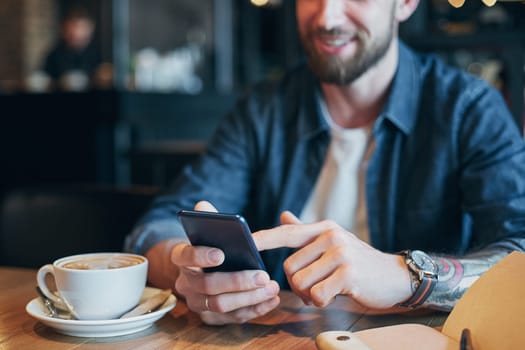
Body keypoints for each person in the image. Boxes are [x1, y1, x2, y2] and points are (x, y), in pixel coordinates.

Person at [125, 0, 525, 325]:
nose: (328, 16)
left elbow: (519, 255)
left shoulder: (468, 108)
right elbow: (155, 228)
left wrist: (406, 276)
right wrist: (188, 268)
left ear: (405, 4)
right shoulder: (263, 109)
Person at [42, 7, 102, 91]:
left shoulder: (99, 54)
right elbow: (45, 80)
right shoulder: (54, 54)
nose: (77, 32)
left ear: (90, 30)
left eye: (82, 28)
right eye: (73, 27)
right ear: (65, 30)